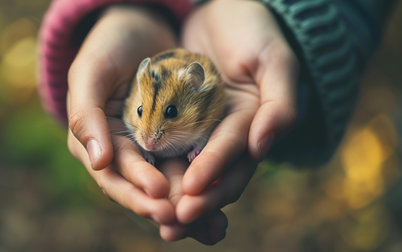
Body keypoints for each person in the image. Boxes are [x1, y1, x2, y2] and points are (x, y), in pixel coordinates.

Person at [38, 0, 396, 245]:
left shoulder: (205, 95)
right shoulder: (138, 94)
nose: (149, 135)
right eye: (144, 115)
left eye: (171, 115)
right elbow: (142, 119)